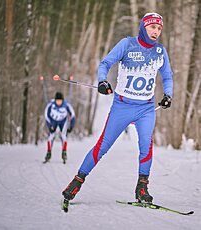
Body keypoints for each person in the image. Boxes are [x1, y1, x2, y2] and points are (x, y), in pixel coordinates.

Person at [62, 12, 173, 203]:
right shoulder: (127, 44)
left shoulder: (160, 52)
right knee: (103, 146)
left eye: (159, 28)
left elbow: (167, 76)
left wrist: (168, 95)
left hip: (146, 109)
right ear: (143, 27)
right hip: (122, 106)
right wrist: (102, 81)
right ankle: (77, 181)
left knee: (146, 146)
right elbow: (105, 63)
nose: (156, 31)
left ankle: (142, 188)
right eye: (152, 27)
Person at [44, 92, 75, 164]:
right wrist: (49, 126)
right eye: (57, 100)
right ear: (55, 100)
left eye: (60, 101)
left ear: (62, 100)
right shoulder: (51, 105)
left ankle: (64, 153)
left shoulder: (66, 105)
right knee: (51, 137)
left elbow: (72, 115)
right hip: (53, 121)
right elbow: (46, 115)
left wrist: (71, 127)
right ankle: (48, 153)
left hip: (62, 122)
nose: (58, 102)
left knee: (63, 136)